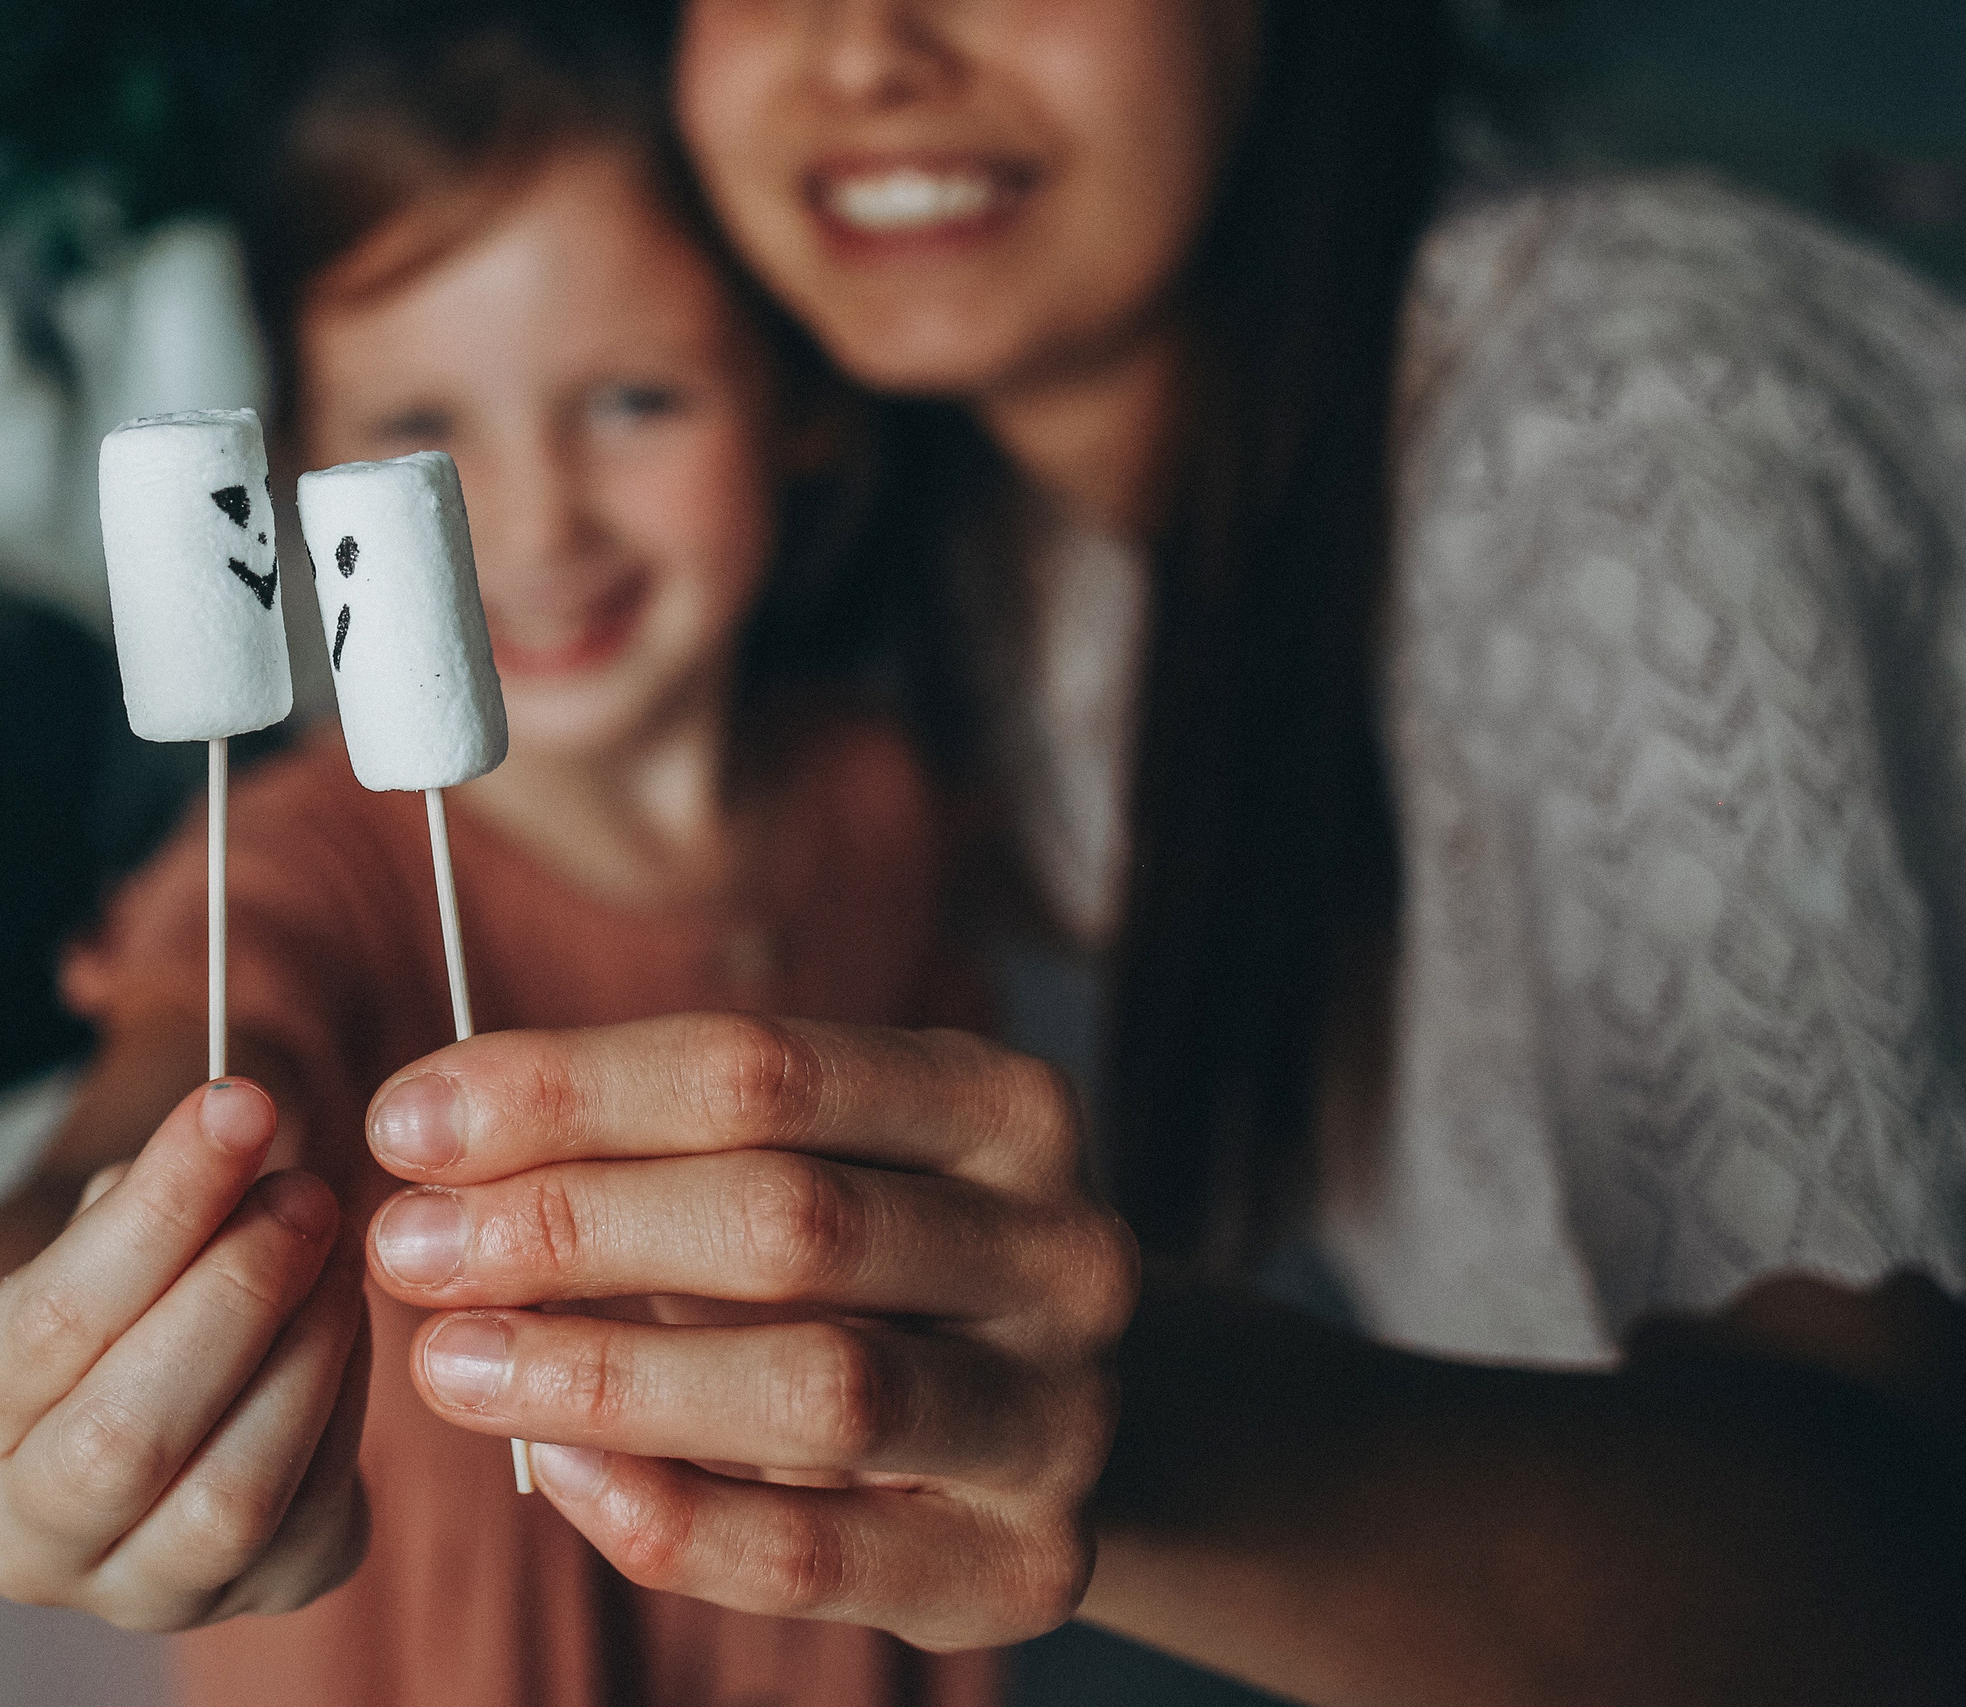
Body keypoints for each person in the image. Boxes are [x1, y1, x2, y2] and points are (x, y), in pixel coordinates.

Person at [313, 1, 1966, 1703]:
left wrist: (1098, 1425)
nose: (869, 50)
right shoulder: (1005, 558)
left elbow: (1903, 1585)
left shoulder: (1645, 437)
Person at [0, 11, 999, 1707]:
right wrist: (52, 1325)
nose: (538, 522)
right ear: (290, 481)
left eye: (635, 399)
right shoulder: (298, 871)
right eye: (420, 428)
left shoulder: (882, 794)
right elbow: (164, 1095)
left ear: (792, 404)